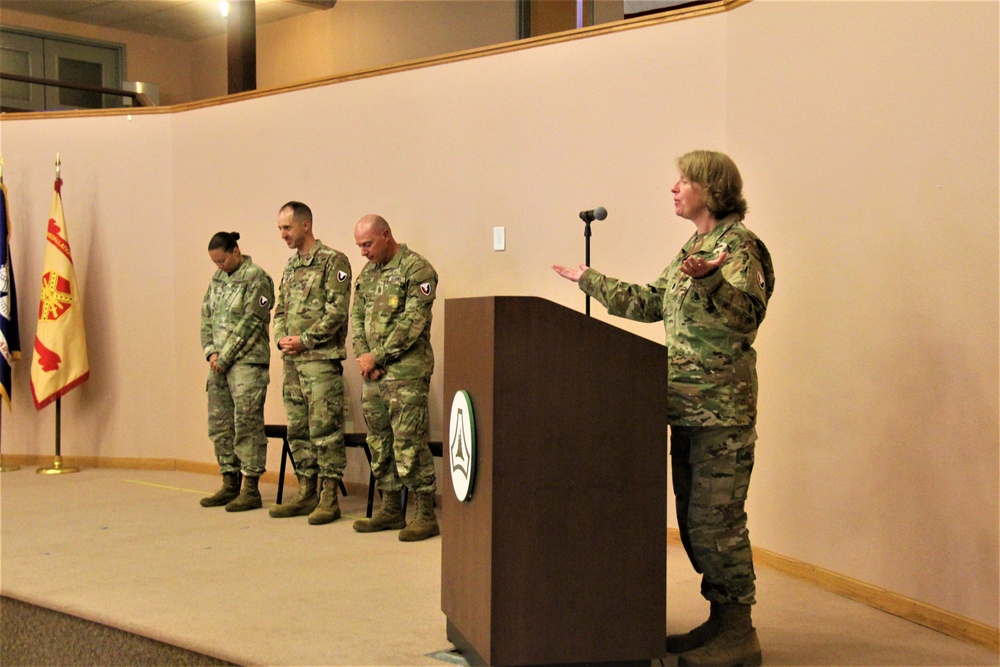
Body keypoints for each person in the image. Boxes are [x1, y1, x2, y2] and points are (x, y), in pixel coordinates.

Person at [553, 150, 773, 667]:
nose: (674, 188)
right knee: (696, 523)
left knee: (718, 523)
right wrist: (591, 280)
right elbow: (653, 302)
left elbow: (747, 316)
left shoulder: (740, 247)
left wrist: (712, 280)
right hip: (683, 408)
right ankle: (721, 624)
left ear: (711, 189)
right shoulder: (694, 248)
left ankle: (740, 634)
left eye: (685, 180)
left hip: (722, 411)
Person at [350, 214, 440, 542]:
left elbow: (414, 321)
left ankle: (425, 515)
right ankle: (390, 509)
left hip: (405, 374)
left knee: (409, 443)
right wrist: (364, 358)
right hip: (373, 375)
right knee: (380, 441)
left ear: (386, 235)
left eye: (368, 244)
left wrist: (380, 355)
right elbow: (356, 317)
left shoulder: (417, 269)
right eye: (359, 245)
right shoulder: (367, 274)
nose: (363, 252)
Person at [269, 201, 352, 525]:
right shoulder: (290, 268)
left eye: (286, 228)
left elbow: (336, 311)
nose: (283, 235)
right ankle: (306, 491)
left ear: (306, 225)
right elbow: (279, 312)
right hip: (292, 362)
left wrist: (305, 339)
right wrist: (280, 338)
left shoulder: (334, 261)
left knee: (324, 428)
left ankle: (329, 498)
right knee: (299, 429)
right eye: (279, 229)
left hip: (319, 360)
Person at [200, 231, 275, 512]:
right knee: (220, 425)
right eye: (214, 262)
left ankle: (250, 488)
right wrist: (211, 351)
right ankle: (229, 482)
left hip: (247, 364)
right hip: (218, 364)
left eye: (222, 260)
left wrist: (227, 356)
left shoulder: (258, 279)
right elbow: (206, 315)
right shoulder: (217, 280)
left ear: (235, 251)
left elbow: (252, 322)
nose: (219, 266)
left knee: (247, 424)